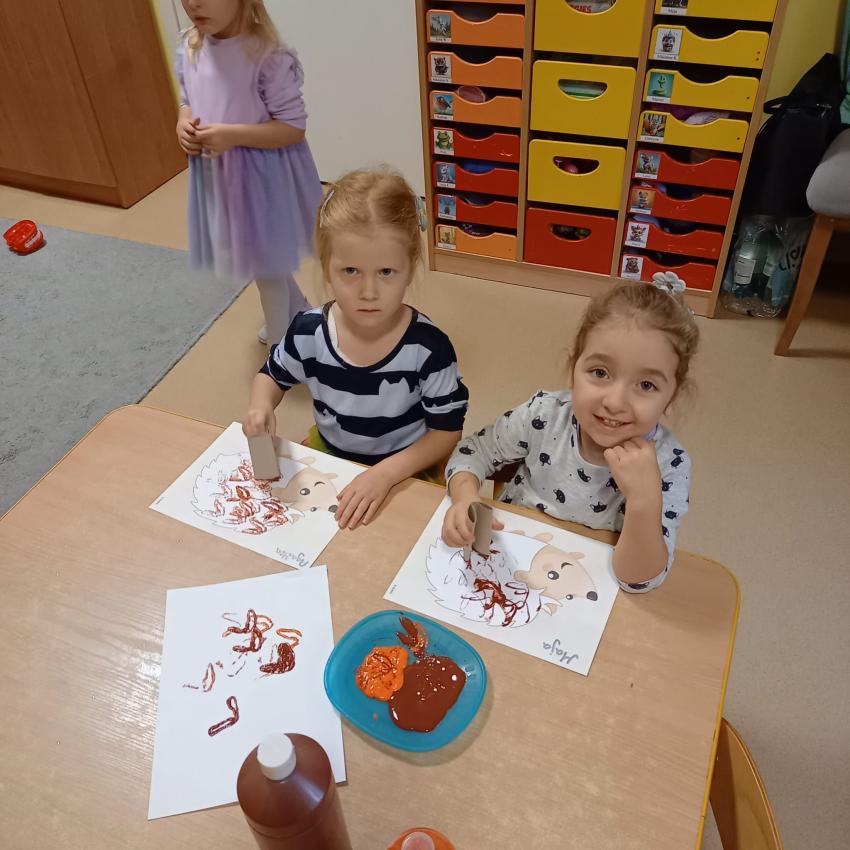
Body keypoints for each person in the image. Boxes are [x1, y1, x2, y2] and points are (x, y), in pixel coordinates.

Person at [243, 168, 469, 530]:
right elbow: (272, 375)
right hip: (331, 451)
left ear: (410, 268)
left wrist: (384, 475)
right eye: (350, 271)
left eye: (386, 272)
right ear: (326, 268)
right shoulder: (308, 332)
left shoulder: (429, 348)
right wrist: (260, 405)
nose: (368, 292)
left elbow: (447, 432)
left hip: (406, 465)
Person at [441, 277, 699, 592]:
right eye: (600, 372)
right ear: (573, 368)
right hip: (508, 562)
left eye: (646, 385)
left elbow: (638, 580)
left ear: (672, 397)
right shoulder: (544, 414)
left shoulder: (669, 463)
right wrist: (465, 498)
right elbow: (473, 451)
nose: (615, 402)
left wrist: (644, 501)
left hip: (583, 587)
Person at [176, 0, 322, 345]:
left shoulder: (267, 56)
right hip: (224, 180)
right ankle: (299, 310)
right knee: (266, 262)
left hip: (263, 181)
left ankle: (280, 350)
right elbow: (186, 100)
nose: (193, 3)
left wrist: (232, 135)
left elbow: (292, 128)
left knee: (266, 270)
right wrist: (183, 123)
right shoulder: (190, 45)